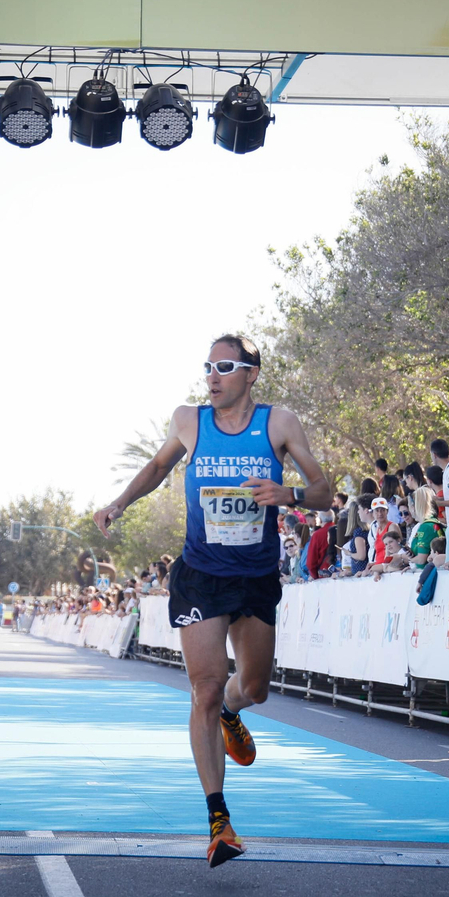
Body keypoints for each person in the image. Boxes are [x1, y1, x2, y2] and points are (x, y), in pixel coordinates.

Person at [94, 334, 330, 868]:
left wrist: (287, 494)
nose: (212, 375)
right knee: (200, 688)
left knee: (255, 688)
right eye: (207, 367)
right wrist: (118, 502)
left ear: (251, 373)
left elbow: (324, 490)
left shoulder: (278, 423)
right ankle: (218, 820)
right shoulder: (188, 420)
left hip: (253, 576)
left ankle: (233, 709)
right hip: (200, 574)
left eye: (224, 366)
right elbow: (157, 468)